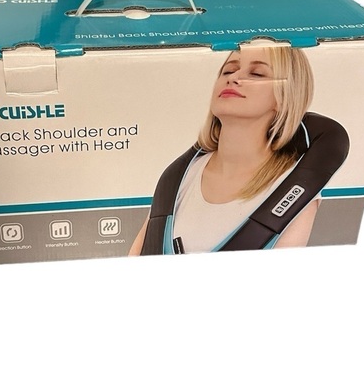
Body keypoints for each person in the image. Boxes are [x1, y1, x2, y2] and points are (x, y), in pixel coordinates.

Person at [129, 41, 327, 255]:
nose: (233, 78)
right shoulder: (180, 177)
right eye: (228, 70)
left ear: (286, 95)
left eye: (256, 74)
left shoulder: (294, 189)